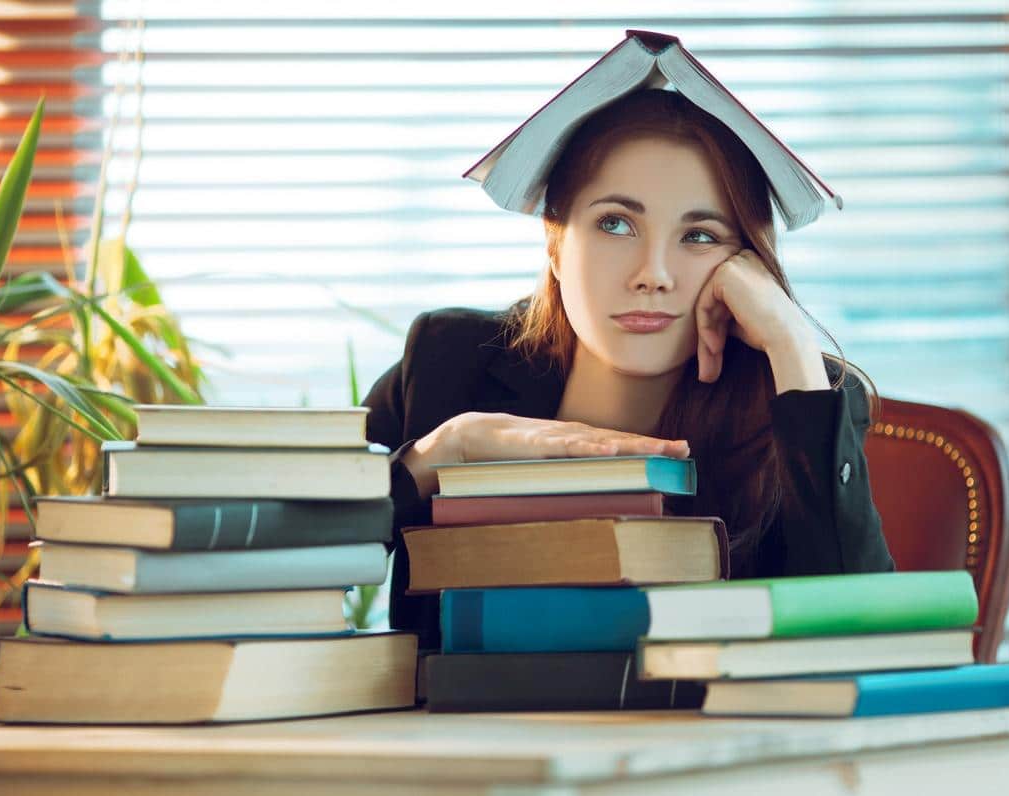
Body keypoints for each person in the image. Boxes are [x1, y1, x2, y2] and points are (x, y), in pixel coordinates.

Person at [362, 88, 894, 650]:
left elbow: (866, 642)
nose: (653, 274)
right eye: (616, 224)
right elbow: (284, 564)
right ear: (555, 242)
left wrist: (791, 343)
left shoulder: (805, 392)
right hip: (452, 735)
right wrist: (442, 454)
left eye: (700, 236)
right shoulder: (452, 360)